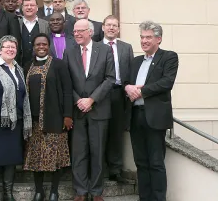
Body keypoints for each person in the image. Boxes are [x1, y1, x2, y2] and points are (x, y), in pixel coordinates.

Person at [125, 21, 178, 201]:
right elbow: (126, 82)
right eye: (142, 37)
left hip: (154, 118)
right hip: (135, 116)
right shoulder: (136, 61)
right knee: (141, 162)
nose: (144, 41)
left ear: (159, 39)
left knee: (156, 163)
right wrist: (127, 88)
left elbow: (166, 82)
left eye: (148, 37)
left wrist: (141, 90)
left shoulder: (169, 57)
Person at [64, 19, 115, 201]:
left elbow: (110, 78)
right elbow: (66, 81)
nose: (76, 34)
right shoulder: (69, 52)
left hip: (99, 109)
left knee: (97, 152)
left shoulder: (105, 50)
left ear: (90, 32)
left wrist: (92, 99)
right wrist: (79, 100)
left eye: (80, 31)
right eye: (75, 31)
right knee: (79, 153)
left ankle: (96, 191)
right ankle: (80, 191)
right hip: (77, 111)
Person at [0, 35, 32, 201]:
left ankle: (8, 193)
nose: (10, 49)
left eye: (13, 47)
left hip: (15, 121)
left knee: (11, 157)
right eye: (7, 47)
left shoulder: (19, 69)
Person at [23, 33, 73, 201]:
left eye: (44, 44)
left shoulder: (59, 65)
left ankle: (54, 191)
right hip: (33, 121)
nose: (41, 47)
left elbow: (67, 91)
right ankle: (39, 191)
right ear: (34, 46)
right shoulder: (27, 66)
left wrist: (67, 115)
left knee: (55, 156)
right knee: (36, 157)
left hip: (55, 118)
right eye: (38, 44)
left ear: (49, 45)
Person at [101, 15, 133, 184]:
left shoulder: (126, 48)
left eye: (115, 25)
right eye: (108, 25)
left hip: (119, 93)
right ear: (103, 28)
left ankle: (115, 169)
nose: (111, 28)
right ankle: (99, 169)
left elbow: (131, 71)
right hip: (100, 95)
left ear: (118, 29)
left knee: (116, 133)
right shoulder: (96, 46)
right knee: (99, 132)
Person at [19, 0, 50, 65]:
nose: (29, 7)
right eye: (26, 5)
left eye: (32, 5)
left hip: (41, 64)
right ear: (22, 8)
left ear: (37, 8)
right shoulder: (16, 23)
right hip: (20, 64)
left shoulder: (45, 24)